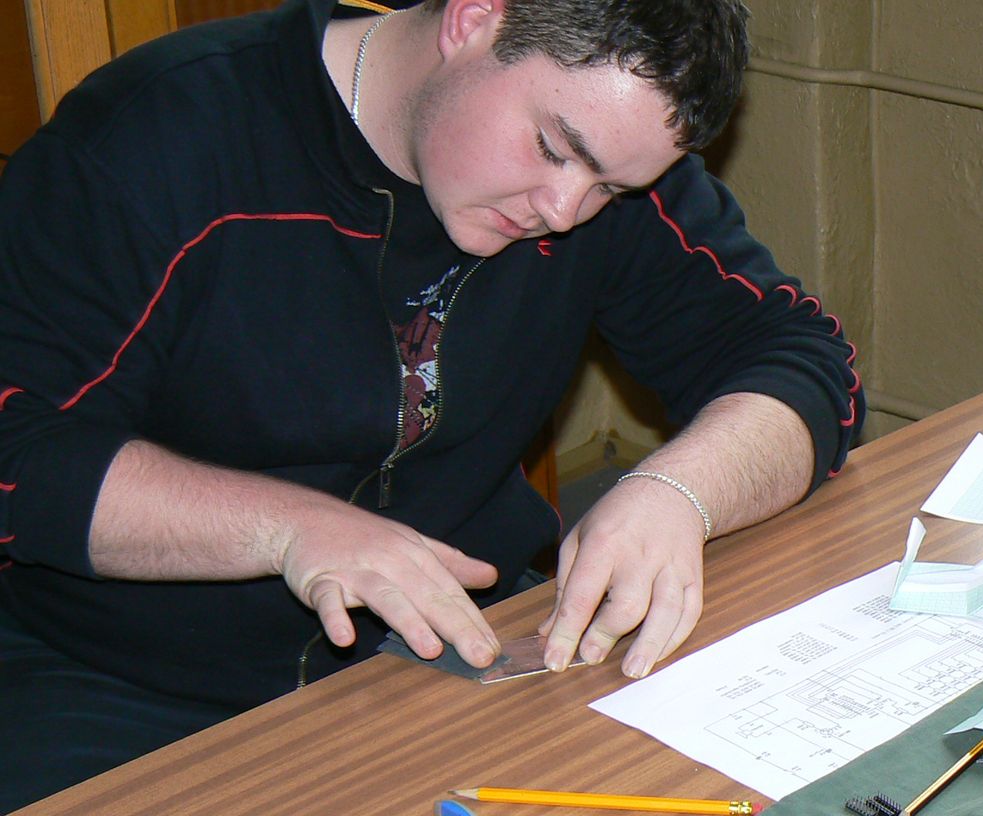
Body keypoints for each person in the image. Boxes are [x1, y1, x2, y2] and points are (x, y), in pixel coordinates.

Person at [0, 0, 863, 807]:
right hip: (118, 680)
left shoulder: (606, 176)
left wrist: (680, 490)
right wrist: (288, 528)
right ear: (474, 17)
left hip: (451, 653)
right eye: (553, 147)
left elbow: (801, 361)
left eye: (611, 187)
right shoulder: (151, 140)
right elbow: (17, 450)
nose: (566, 210)